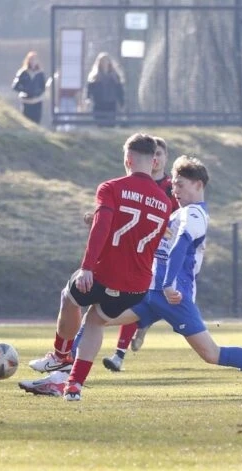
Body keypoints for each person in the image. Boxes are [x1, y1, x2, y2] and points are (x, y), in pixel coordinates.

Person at [19, 156, 242, 399]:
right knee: (95, 318)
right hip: (149, 292)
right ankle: (64, 379)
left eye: (180, 185)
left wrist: (169, 283)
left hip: (173, 296)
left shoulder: (195, 215)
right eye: (173, 186)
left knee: (211, 354)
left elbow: (181, 246)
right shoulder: (176, 214)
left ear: (198, 184)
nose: (175, 190)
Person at [20, 133, 171, 400]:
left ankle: (60, 357)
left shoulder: (111, 187)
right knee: (95, 321)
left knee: (69, 298)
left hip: (104, 273)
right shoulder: (165, 202)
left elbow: (102, 228)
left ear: (128, 159)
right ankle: (73, 386)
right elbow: (148, 240)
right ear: (154, 162)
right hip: (136, 285)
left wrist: (87, 267)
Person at [102, 136, 180, 372]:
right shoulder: (130, 184)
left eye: (159, 154)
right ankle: (119, 354)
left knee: (155, 300)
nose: (155, 158)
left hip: (162, 254)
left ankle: (144, 321)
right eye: (153, 154)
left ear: (165, 158)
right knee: (133, 298)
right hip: (135, 251)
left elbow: (180, 220)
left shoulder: (172, 189)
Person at [85, 52, 124, 127]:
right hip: (99, 104)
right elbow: (89, 89)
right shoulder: (95, 76)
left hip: (111, 104)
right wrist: (88, 99)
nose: (104, 63)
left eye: (106, 61)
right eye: (102, 61)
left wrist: (121, 102)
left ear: (109, 62)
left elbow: (119, 90)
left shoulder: (115, 76)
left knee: (110, 124)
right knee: (100, 124)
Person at [11, 51, 47, 124]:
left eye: (34, 59)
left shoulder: (40, 73)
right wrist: (25, 90)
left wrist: (38, 94)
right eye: (31, 59)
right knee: (27, 121)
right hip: (26, 101)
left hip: (37, 101)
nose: (33, 61)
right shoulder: (23, 73)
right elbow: (15, 86)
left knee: (36, 121)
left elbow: (43, 87)